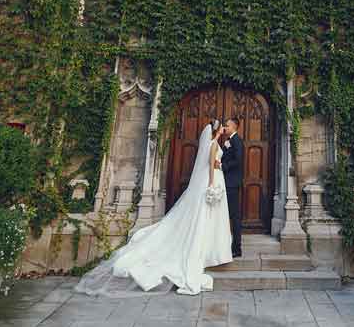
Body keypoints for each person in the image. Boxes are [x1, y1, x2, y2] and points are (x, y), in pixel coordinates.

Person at [76, 120, 232, 296]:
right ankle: (204, 249)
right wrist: (211, 183)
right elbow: (210, 164)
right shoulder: (212, 144)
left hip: (213, 179)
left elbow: (214, 162)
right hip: (211, 181)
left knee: (207, 215)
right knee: (202, 215)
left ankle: (210, 247)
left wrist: (218, 167)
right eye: (221, 126)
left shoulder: (214, 143)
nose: (223, 128)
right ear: (217, 130)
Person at [220, 116, 244, 258]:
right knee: (228, 214)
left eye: (227, 126)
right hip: (227, 182)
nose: (225, 127)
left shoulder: (237, 141)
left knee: (234, 216)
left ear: (234, 127)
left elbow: (238, 160)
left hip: (232, 183)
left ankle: (237, 248)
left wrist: (223, 166)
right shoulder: (229, 141)